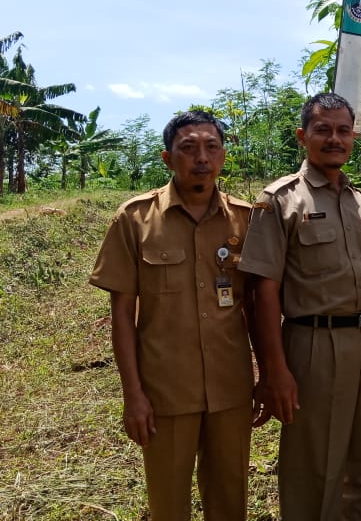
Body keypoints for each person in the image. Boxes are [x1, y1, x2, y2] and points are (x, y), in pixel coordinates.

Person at [240, 92, 361, 521]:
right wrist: (273, 370)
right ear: (303, 136)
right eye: (323, 130)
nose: (334, 138)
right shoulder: (280, 200)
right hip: (314, 345)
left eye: (343, 130)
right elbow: (262, 292)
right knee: (315, 469)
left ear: (354, 137)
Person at [89, 110, 257, 521]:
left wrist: (267, 374)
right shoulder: (135, 219)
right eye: (188, 147)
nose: (202, 156)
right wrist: (133, 395)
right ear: (168, 158)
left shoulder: (247, 220)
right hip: (165, 392)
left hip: (230, 390)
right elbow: (122, 316)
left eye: (211, 146)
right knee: (168, 504)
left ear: (223, 155)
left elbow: (257, 306)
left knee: (230, 501)